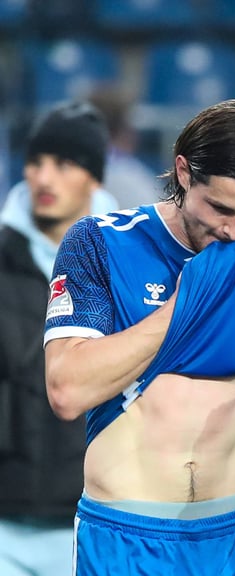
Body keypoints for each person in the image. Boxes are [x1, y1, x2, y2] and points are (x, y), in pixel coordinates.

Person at [43, 99, 235, 575]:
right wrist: (182, 307)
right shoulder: (100, 243)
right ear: (183, 172)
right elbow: (67, 390)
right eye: (220, 207)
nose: (234, 231)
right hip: (127, 542)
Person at [0, 101, 118, 575]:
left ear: (94, 177)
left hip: (95, 517)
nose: (44, 178)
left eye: (64, 164)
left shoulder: (128, 260)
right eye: (36, 162)